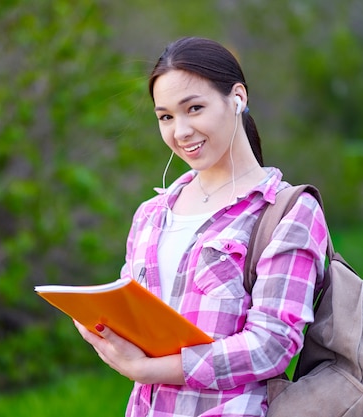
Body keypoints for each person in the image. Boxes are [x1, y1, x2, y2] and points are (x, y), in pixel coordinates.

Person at [74, 37, 329, 417]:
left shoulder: (288, 211)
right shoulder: (150, 214)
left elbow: (272, 345)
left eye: (194, 108)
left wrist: (148, 370)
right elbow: (137, 318)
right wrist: (101, 326)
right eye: (166, 117)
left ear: (237, 98)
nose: (181, 131)